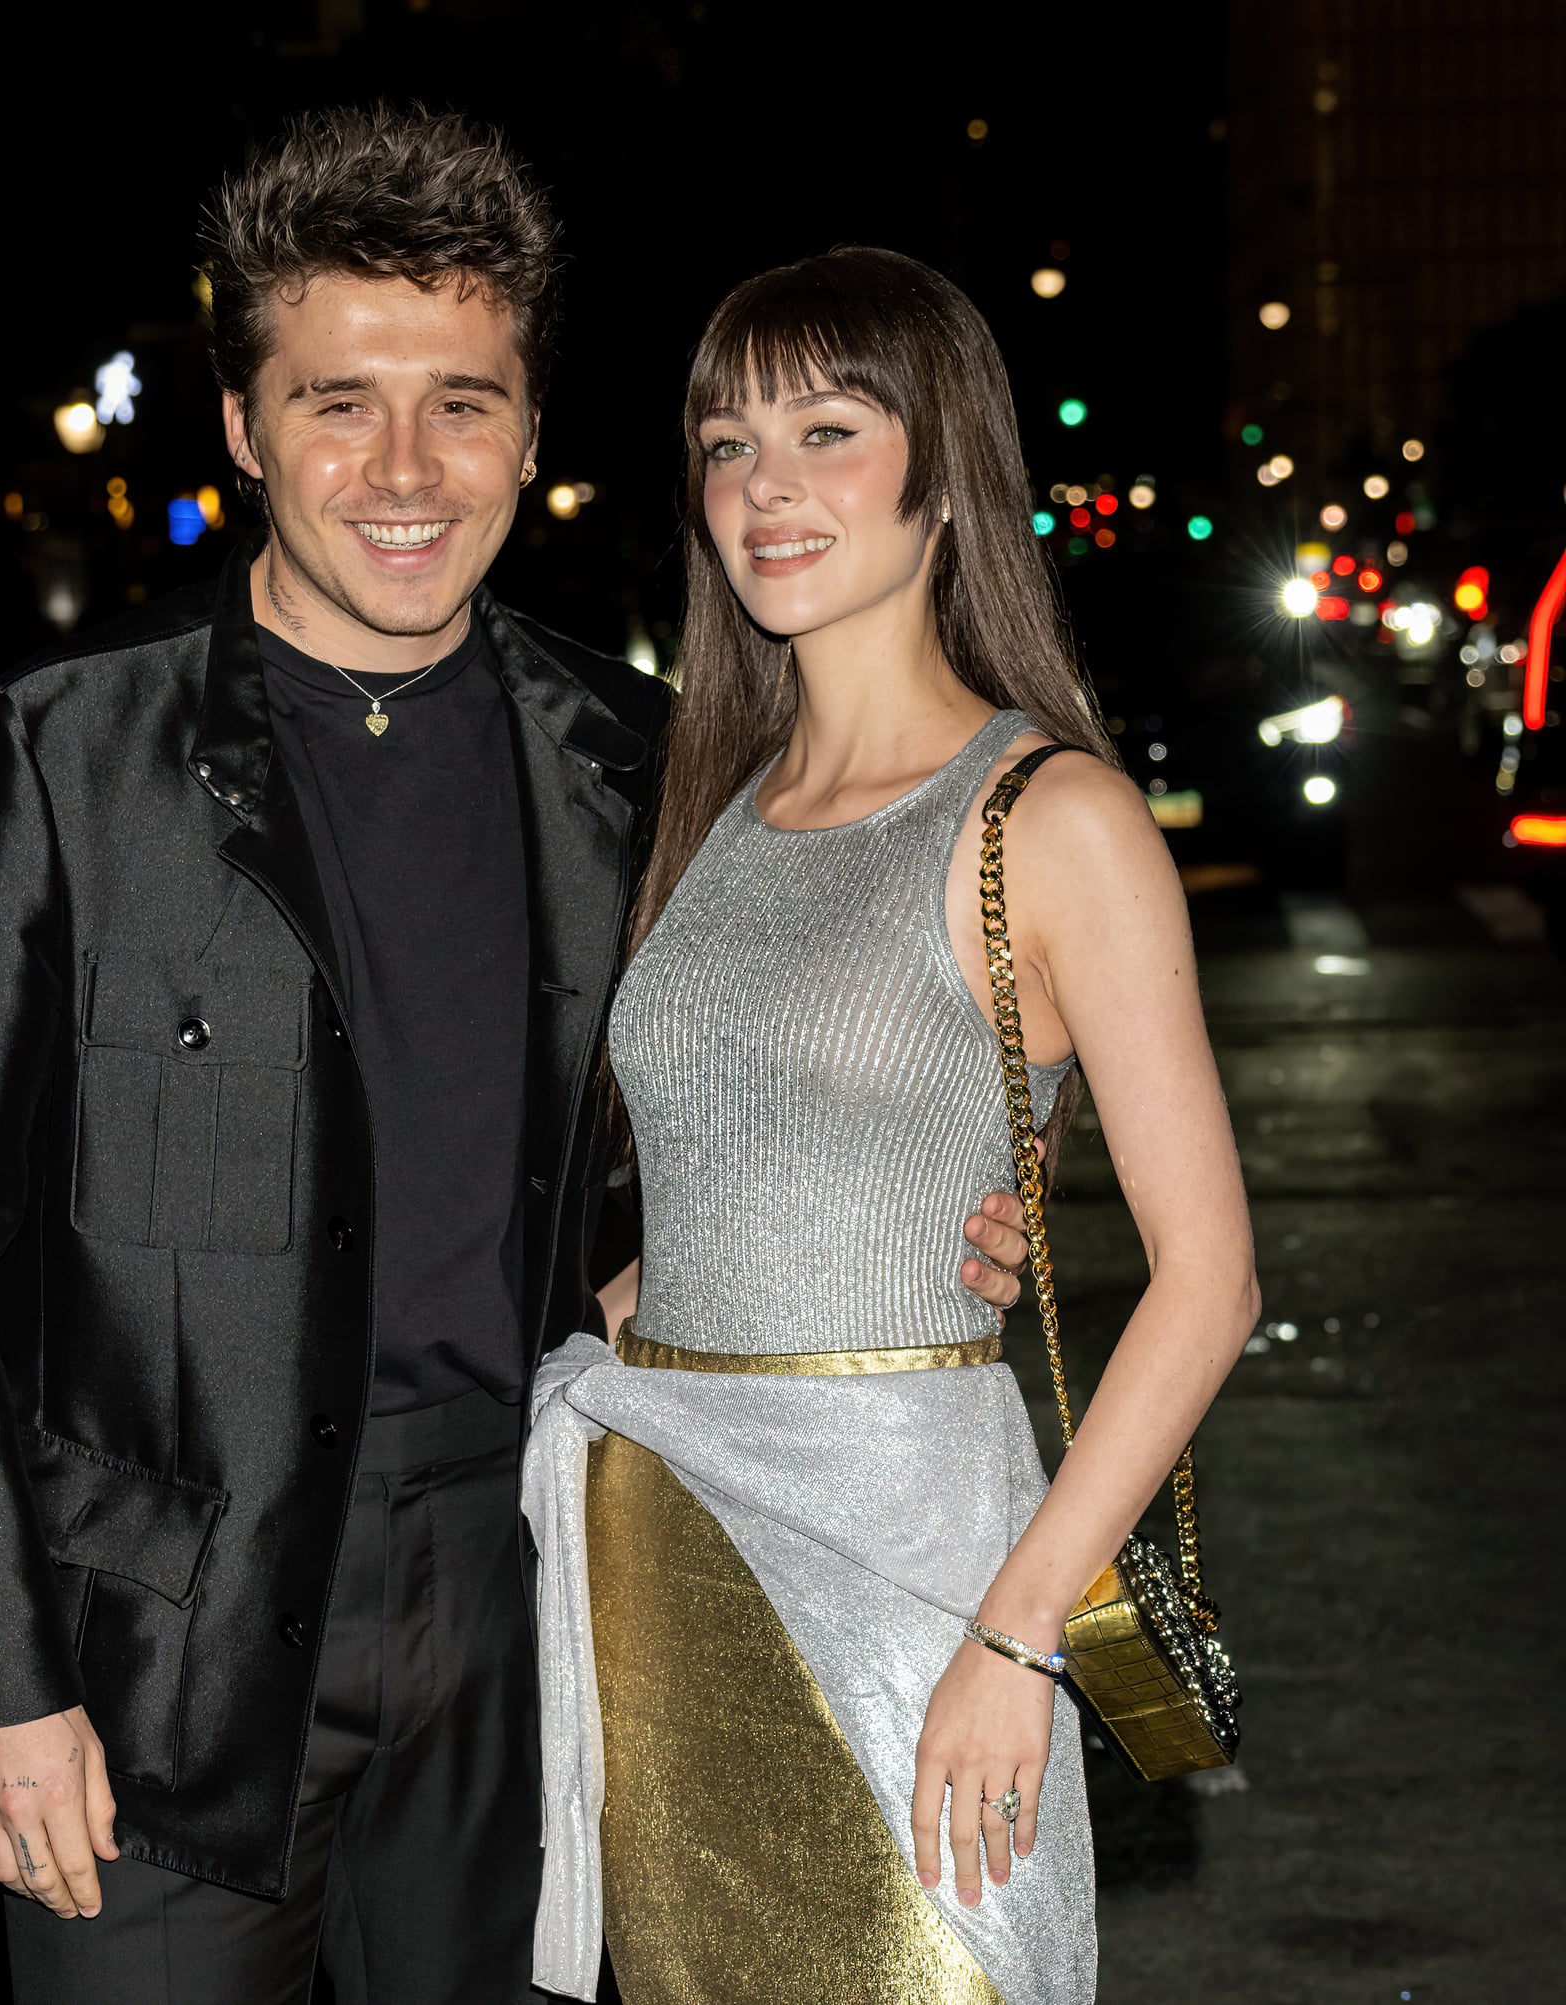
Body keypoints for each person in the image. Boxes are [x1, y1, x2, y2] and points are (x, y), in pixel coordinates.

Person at [0, 110, 1037, 2005]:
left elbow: (724, 1120)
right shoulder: (52, 757)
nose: (405, 470)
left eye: (463, 404)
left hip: (534, 1591)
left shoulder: (643, 763)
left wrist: (926, 1223)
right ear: (239, 424)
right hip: (155, 1649)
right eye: (337, 403)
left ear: (534, 434)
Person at [523, 247, 1261, 2005]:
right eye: (723, 443)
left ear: (943, 480)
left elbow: (1211, 1277)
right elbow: (731, 1159)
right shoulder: (706, 805)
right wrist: (621, 1308)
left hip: (915, 1562)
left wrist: (1018, 1634)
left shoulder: (1049, 813)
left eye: (825, 430)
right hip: (664, 1549)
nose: (762, 487)